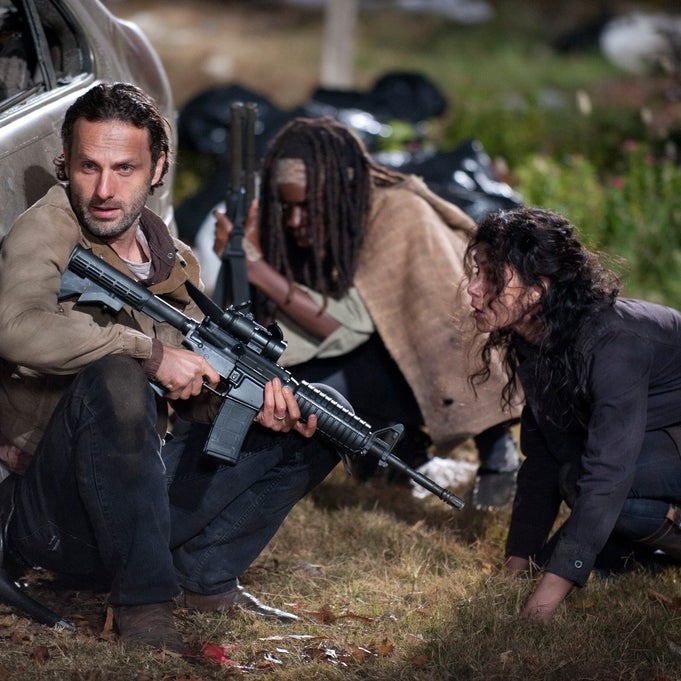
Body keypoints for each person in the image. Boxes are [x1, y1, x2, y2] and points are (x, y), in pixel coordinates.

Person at [0, 83, 340, 653]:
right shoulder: (49, 226)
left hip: (135, 500)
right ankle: (144, 607)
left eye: (125, 169)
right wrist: (150, 354)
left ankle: (206, 576)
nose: (104, 190)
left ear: (158, 168)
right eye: (89, 167)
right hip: (55, 514)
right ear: (65, 164)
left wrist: (251, 406)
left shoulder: (176, 263)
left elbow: (191, 396)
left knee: (323, 414)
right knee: (118, 374)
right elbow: (14, 327)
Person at [205, 116, 519, 507]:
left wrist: (256, 266)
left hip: (428, 364)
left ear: (338, 190)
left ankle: (494, 446)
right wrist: (246, 254)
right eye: (287, 206)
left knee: (314, 388)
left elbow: (342, 327)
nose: (295, 220)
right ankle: (399, 451)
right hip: (370, 357)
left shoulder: (398, 212)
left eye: (307, 206)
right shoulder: (303, 221)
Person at [465, 206, 681, 621]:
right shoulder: (536, 335)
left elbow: (608, 473)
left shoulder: (614, 341)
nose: (474, 289)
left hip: (668, 444)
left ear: (537, 289)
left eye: (492, 276)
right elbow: (542, 458)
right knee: (567, 478)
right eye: (477, 272)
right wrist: (516, 569)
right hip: (654, 444)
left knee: (585, 481)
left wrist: (539, 608)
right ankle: (632, 554)